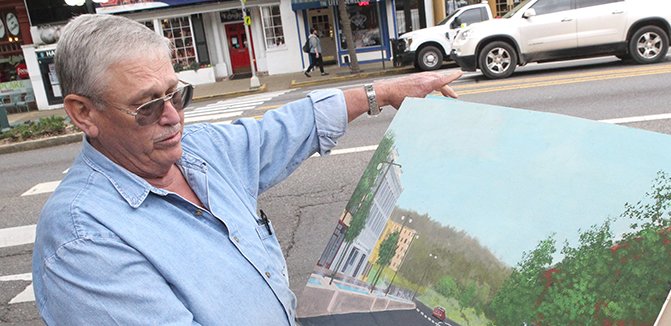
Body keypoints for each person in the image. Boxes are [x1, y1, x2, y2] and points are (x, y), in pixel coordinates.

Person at [31, 14, 462, 325]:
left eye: (176, 94)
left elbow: (285, 128)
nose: (173, 117)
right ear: (83, 113)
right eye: (147, 106)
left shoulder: (199, 151)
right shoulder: (81, 237)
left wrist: (381, 91)